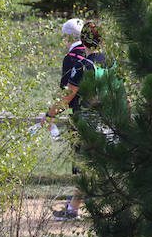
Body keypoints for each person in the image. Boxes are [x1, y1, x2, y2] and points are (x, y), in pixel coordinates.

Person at [42, 20, 110, 220]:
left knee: (85, 169)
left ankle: (73, 210)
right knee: (100, 168)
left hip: (86, 122)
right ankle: (79, 208)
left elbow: (69, 96)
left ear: (82, 39)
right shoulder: (110, 62)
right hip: (109, 120)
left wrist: (50, 114)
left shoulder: (81, 66)